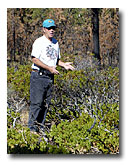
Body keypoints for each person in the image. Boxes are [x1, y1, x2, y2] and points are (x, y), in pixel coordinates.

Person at [28, 19, 75, 133]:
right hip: (39, 76)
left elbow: (56, 59)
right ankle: (32, 131)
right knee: (36, 104)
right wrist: (49, 68)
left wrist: (63, 65)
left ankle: (40, 128)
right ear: (43, 29)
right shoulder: (39, 42)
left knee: (45, 104)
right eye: (49, 28)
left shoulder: (55, 42)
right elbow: (35, 59)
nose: (51, 30)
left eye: (53, 28)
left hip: (50, 77)